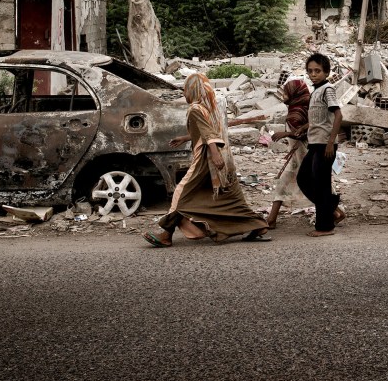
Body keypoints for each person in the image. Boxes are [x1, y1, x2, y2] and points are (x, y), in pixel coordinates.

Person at [143, 73, 270, 247]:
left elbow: (208, 133)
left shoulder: (195, 109)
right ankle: (258, 225)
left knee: (181, 193)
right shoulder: (209, 107)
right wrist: (185, 138)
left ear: (193, 90)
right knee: (229, 198)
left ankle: (166, 234)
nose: (184, 94)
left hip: (206, 158)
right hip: (223, 156)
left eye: (185, 90)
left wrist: (214, 153)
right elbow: (207, 130)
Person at [297, 53, 345, 237]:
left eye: (317, 71)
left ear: (326, 72)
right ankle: (330, 208)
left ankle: (325, 227)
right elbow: (320, 118)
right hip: (315, 143)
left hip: (325, 144)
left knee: (322, 184)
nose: (313, 74)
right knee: (304, 179)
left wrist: (330, 143)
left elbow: (338, 115)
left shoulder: (327, 89)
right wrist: (304, 127)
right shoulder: (316, 90)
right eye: (310, 71)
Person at [266, 78, 311, 228]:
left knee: (314, 186)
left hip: (302, 156)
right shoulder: (305, 108)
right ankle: (271, 219)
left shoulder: (296, 113)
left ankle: (336, 212)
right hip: (298, 155)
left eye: (286, 92)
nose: (284, 95)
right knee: (284, 184)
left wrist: (286, 134)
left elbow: (302, 134)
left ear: (294, 93)